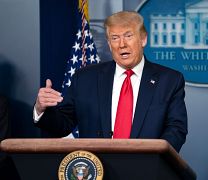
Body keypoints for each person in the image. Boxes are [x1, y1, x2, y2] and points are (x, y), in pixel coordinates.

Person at [34, 11, 188, 152]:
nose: (122, 44)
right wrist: (41, 110)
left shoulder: (169, 80)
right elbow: (63, 125)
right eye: (115, 38)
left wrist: (155, 158)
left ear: (143, 39)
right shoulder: (85, 78)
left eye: (128, 36)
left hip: (147, 167)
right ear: (109, 44)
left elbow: (176, 129)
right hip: (97, 168)